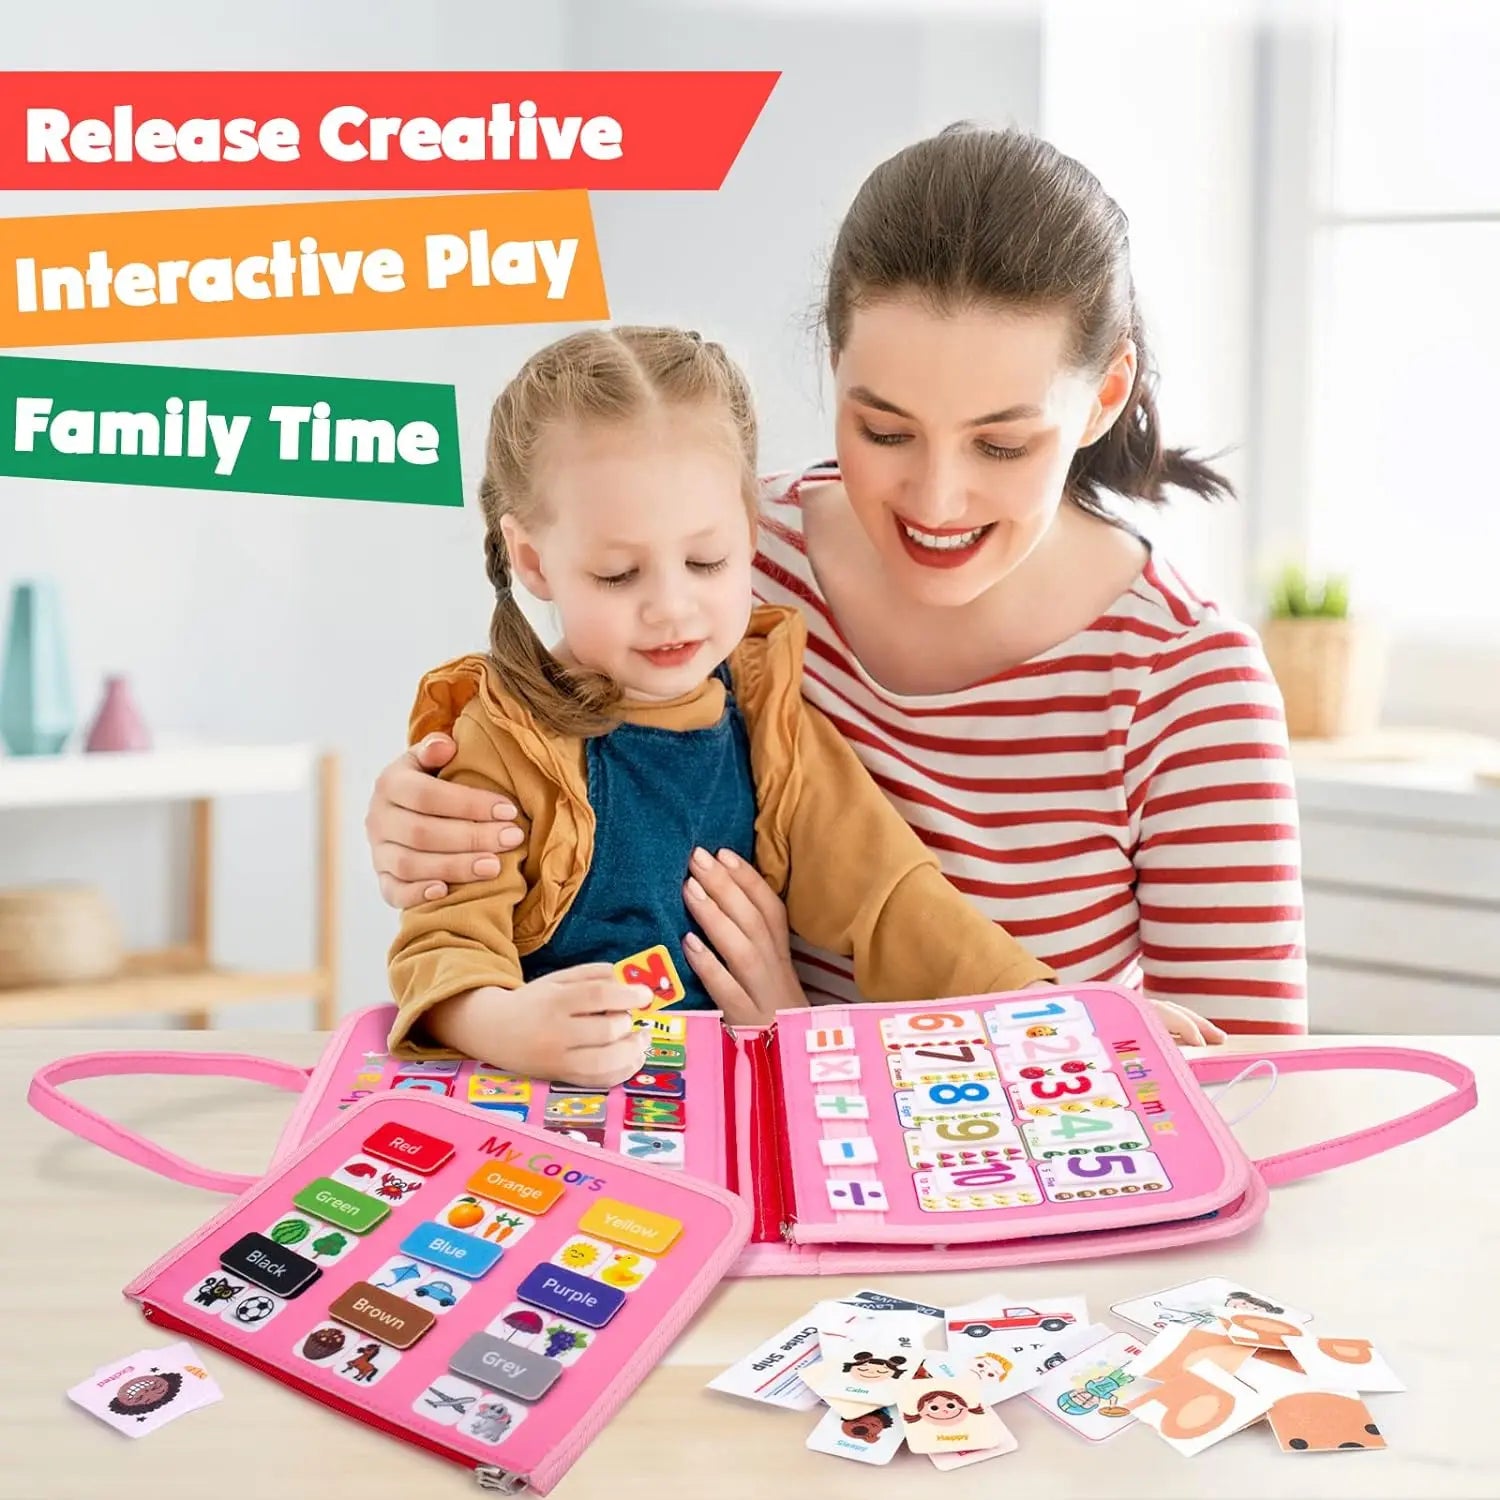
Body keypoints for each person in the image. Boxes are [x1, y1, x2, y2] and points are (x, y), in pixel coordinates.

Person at [368, 124, 1306, 1040]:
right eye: (886, 431)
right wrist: (428, 821)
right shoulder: (729, 562)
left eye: (1002, 443)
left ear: (1103, 396)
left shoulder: (1185, 685)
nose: (936, 500)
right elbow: (533, 764)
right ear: (836, 370)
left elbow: (1259, 1107)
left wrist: (804, 1035)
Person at [387, 324, 1056, 1086]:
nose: (672, 608)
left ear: (750, 532)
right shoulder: (503, 737)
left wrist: (1041, 1010)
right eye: (617, 574)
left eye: (707, 561)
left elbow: (892, 896)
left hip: (730, 1107)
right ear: (535, 560)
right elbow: (442, 947)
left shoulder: (771, 721)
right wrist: (506, 1024)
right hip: (553, 1128)